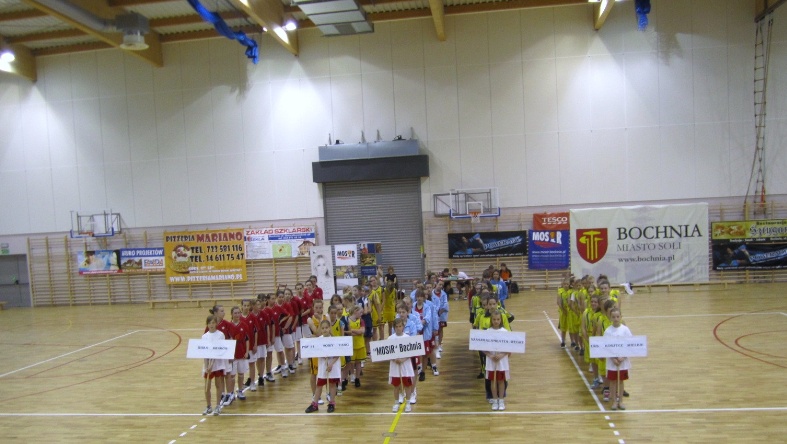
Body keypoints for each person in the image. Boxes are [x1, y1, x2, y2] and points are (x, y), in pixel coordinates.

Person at [305, 320, 340, 413]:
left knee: (332, 384)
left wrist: (331, 363)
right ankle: (314, 404)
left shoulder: (334, 339)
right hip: (323, 365)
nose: (325, 330)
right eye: (323, 328)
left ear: (329, 328)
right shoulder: (318, 340)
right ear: (320, 329)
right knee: (319, 384)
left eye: (326, 328)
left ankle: (332, 403)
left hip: (333, 365)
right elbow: (316, 351)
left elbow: (338, 354)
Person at [604, 307, 632, 410]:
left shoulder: (625, 330)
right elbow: (605, 346)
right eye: (613, 317)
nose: (616, 319)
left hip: (622, 361)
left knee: (620, 381)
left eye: (617, 316)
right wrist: (613, 358)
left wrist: (623, 357)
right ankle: (614, 401)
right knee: (612, 382)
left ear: (620, 317)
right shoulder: (608, 331)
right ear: (610, 318)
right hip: (612, 362)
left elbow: (630, 344)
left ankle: (620, 401)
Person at [484, 310, 511, 411]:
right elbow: (482, 347)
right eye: (494, 319)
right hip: (491, 361)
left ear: (501, 320)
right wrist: (490, 355)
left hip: (502, 361)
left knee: (501, 381)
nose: (496, 321)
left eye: (498, 319)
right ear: (491, 320)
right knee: (493, 381)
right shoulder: (487, 332)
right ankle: (495, 400)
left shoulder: (505, 332)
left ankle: (501, 400)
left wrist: (502, 354)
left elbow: (510, 347)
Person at [201, 314, 227, 416]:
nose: (211, 325)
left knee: (218, 384)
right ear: (207, 324)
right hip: (208, 365)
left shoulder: (220, 335)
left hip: (217, 363)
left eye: (213, 323)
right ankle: (208, 406)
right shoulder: (204, 336)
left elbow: (217, 350)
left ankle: (217, 406)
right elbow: (204, 352)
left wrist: (212, 364)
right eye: (209, 323)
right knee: (207, 386)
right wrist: (206, 365)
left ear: (216, 324)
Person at [389, 317, 415, 413]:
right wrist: (394, 359)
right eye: (396, 327)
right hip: (395, 366)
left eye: (400, 326)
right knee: (396, 385)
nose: (398, 328)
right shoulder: (390, 339)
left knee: (407, 385)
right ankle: (396, 403)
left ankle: (408, 403)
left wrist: (403, 359)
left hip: (406, 366)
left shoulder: (407, 338)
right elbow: (387, 353)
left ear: (403, 327)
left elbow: (411, 352)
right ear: (394, 328)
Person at [228, 306, 251, 402]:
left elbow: (247, 339)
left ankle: (240, 391)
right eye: (235, 313)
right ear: (232, 314)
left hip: (242, 354)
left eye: (238, 313)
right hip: (232, 356)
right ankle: (231, 393)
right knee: (232, 375)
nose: (237, 315)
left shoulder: (244, 325)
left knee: (241, 374)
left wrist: (247, 352)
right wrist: (230, 354)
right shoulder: (229, 326)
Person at [347, 305, 367, 387]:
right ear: (355, 311)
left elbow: (362, 331)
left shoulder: (361, 320)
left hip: (360, 344)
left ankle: (357, 378)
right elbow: (347, 333)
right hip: (351, 345)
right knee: (351, 363)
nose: (361, 314)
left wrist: (352, 331)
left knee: (358, 362)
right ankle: (352, 375)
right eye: (360, 312)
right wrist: (356, 332)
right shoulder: (348, 320)